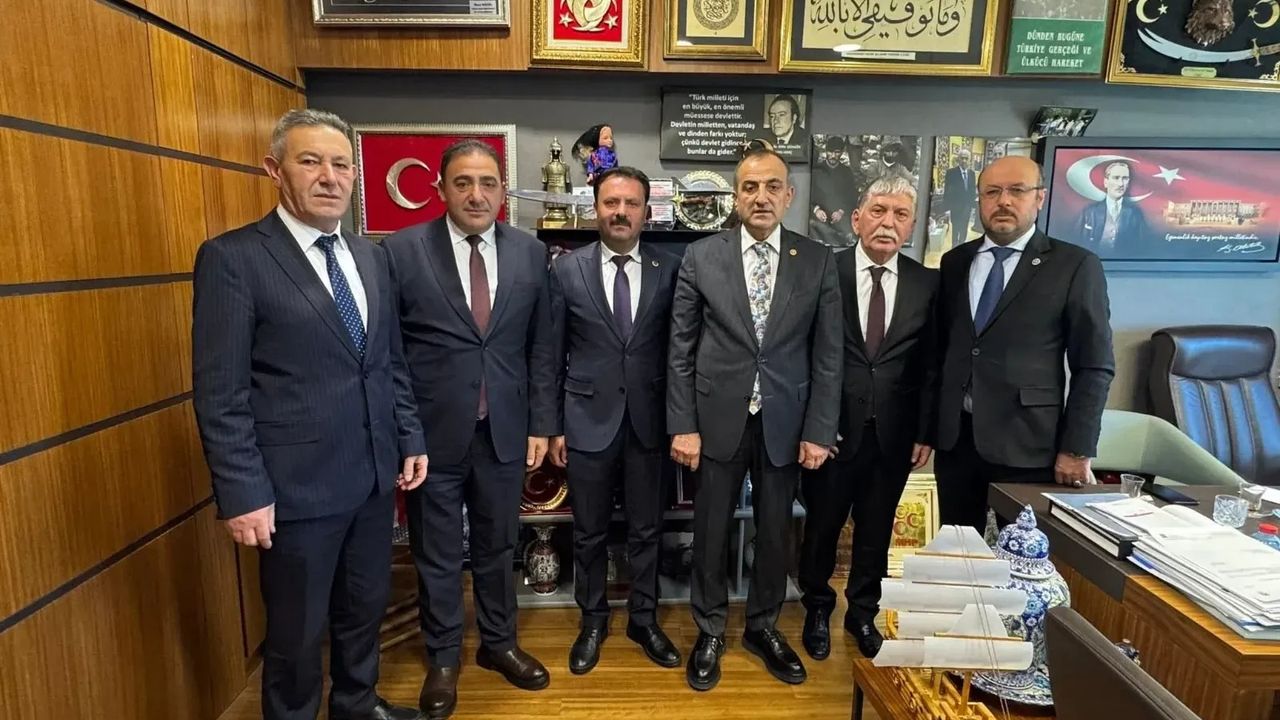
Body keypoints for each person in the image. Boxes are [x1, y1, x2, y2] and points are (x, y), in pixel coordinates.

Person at [192, 108, 428, 720]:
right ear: (274, 169)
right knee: (296, 637)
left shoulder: (371, 256)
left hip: (373, 479)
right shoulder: (234, 259)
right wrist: (242, 493)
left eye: (341, 164)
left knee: (363, 611)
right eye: (311, 161)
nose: (330, 177)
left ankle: (357, 706)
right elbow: (221, 392)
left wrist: (409, 436)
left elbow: (389, 361)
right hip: (293, 492)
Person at [382, 140, 557, 718]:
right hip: (430, 439)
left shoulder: (531, 253)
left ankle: (499, 644)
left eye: (487, 183)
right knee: (436, 554)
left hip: (505, 431)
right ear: (440, 189)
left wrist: (541, 423)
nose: (476, 195)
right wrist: (406, 434)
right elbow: (390, 354)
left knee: (498, 545)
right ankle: (443, 658)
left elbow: (541, 347)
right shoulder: (402, 251)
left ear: (503, 190)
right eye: (463, 183)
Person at [668, 144, 842, 691]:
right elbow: (680, 348)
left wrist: (819, 430)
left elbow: (828, 355)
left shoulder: (816, 260)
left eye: (772, 187)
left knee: (774, 533)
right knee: (710, 531)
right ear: (735, 197)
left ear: (789, 195)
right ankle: (710, 630)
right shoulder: (701, 256)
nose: (761, 197)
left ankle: (763, 627)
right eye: (750, 187)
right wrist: (683, 424)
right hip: (716, 419)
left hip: (786, 422)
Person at [542, 166, 682, 675]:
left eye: (631, 203)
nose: (620, 212)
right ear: (595, 208)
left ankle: (643, 619)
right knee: (589, 532)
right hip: (585, 419)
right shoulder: (565, 270)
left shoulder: (671, 269)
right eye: (610, 203)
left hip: (649, 421)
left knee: (648, 529)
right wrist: (553, 425)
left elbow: (679, 352)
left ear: (646, 211)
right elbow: (549, 354)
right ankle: (593, 620)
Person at [797, 176, 939, 662]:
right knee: (822, 528)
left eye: (900, 215)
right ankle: (817, 608)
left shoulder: (927, 283)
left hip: (894, 435)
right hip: (831, 433)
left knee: (876, 532)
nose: (888, 223)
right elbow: (801, 352)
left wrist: (924, 431)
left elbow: (930, 365)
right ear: (857, 219)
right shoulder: (823, 271)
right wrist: (814, 426)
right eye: (878, 211)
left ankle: (862, 612)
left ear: (912, 226)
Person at [934, 156, 1115, 531]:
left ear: (1039, 198)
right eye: (992, 192)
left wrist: (1076, 448)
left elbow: (1094, 366)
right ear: (979, 199)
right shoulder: (954, 262)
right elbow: (942, 352)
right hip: (957, 444)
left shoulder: (1074, 266)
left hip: (1028, 446)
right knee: (958, 550)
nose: (1003, 201)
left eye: (1017, 190)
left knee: (1023, 558)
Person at [1072, 160, 1152, 258]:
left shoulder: (1135, 214)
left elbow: (1143, 248)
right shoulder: (1089, 212)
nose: (1120, 184)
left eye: (1125, 178)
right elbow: (1074, 243)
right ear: (1106, 182)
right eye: (1116, 178)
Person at [810, 136, 861, 247]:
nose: (833, 156)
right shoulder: (816, 170)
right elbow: (807, 196)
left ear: (842, 153)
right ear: (826, 151)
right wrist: (816, 210)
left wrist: (841, 212)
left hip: (841, 217)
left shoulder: (846, 172)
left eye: (837, 152)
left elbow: (851, 197)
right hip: (819, 217)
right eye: (830, 152)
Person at [943, 149, 977, 245]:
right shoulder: (951, 173)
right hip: (955, 208)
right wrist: (947, 209)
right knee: (955, 230)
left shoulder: (972, 174)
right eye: (962, 158)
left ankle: (962, 246)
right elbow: (947, 192)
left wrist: (972, 206)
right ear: (958, 159)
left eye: (966, 158)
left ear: (969, 160)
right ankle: (954, 248)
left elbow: (972, 191)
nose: (964, 161)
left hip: (967, 208)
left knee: (964, 230)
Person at [766, 94, 811, 159]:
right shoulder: (762, 138)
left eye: (781, 115)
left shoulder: (806, 140)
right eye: (772, 116)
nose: (775, 121)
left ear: (794, 118)